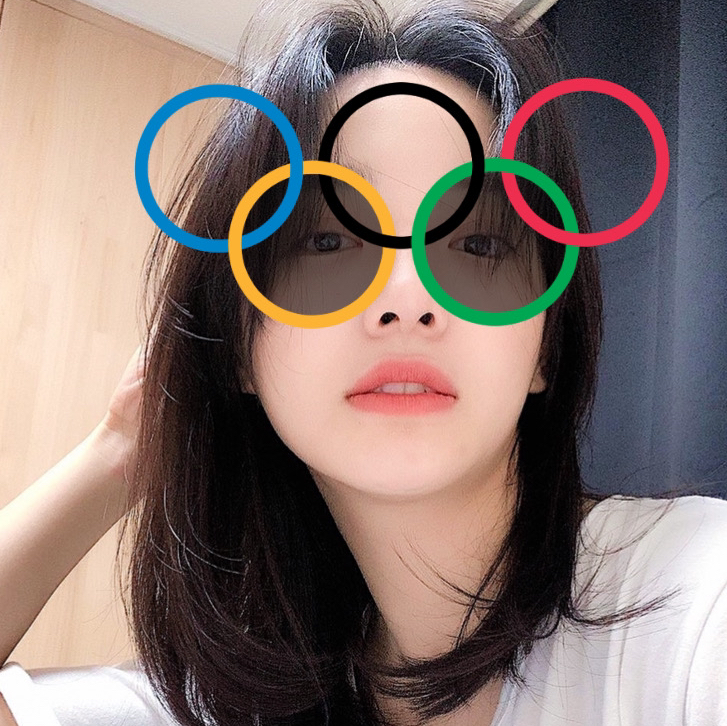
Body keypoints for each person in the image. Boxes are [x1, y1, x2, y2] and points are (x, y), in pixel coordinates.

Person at [1, 1, 726, 725]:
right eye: (327, 242)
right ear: (239, 350)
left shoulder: (692, 604)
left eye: (477, 246)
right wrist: (122, 447)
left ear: (545, 347)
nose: (408, 298)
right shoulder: (233, 705)